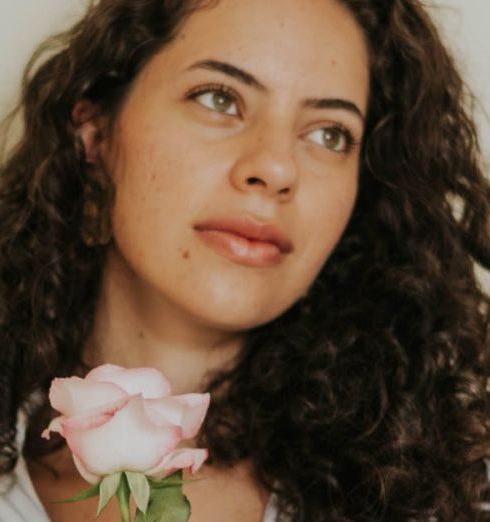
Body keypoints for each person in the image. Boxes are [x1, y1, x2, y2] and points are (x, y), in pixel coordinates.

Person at [0, 0, 489, 520]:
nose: (276, 167)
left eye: (330, 134)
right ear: (95, 135)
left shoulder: (432, 495)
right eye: (218, 98)